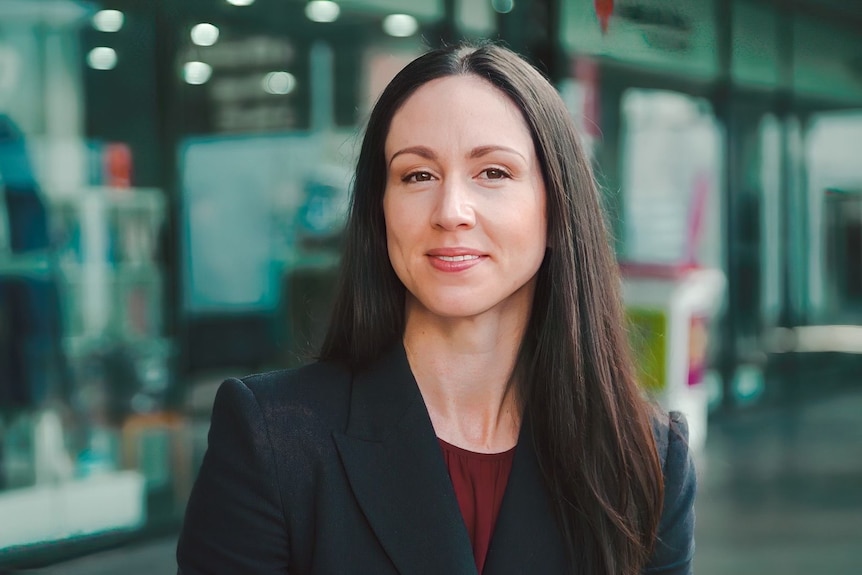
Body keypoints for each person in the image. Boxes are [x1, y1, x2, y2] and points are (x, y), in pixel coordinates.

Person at [176, 42, 695, 575]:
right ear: (380, 213)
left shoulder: (646, 461)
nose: (451, 211)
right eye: (417, 175)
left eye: (493, 173)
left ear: (558, 208)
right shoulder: (272, 437)